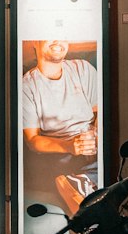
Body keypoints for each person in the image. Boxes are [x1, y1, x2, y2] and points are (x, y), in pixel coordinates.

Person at [22, 39, 98, 216]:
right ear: (35, 42)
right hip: (61, 154)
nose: (58, 41)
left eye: (62, 35)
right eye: (49, 35)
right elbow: (33, 140)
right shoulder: (28, 85)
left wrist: (95, 137)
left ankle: (83, 185)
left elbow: (100, 113)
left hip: (93, 148)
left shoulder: (83, 69)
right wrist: (71, 146)